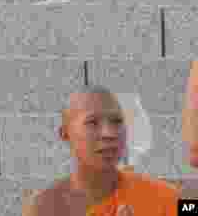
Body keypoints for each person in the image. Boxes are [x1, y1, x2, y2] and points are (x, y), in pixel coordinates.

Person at [26, 86, 178, 216]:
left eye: (117, 122)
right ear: (65, 134)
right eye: (92, 122)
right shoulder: (44, 207)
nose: (109, 133)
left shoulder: (168, 197)